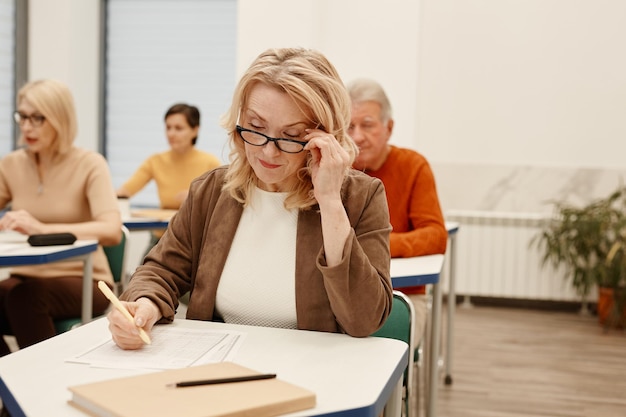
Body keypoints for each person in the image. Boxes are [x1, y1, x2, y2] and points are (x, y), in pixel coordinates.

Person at [106, 47, 394, 350]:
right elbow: (161, 270)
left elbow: (364, 319)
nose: (268, 152)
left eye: (291, 135)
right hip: (217, 367)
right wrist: (145, 304)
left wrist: (330, 202)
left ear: (325, 135)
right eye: (256, 128)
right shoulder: (212, 191)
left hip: (312, 371)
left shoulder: (361, 197)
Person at [0, 79, 122, 356]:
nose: (27, 126)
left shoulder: (90, 164)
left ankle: (34, 384)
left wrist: (42, 228)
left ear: (59, 118)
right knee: (20, 294)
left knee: (25, 297)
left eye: (37, 118)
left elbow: (111, 230)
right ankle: (13, 385)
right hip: (25, 276)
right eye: (23, 117)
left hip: (84, 278)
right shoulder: (11, 165)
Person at [347, 78, 447, 340]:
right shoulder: (334, 170)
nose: (357, 136)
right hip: (343, 290)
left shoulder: (413, 166)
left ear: (388, 128)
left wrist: (376, 246)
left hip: (402, 295)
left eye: (367, 125)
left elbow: (436, 236)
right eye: (348, 126)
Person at [116, 103, 222, 246]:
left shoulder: (210, 163)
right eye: (168, 127)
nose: (171, 134)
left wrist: (198, 196)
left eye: (178, 128)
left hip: (196, 240)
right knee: (143, 268)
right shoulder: (155, 161)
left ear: (195, 130)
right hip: (162, 238)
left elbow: (223, 203)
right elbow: (125, 191)